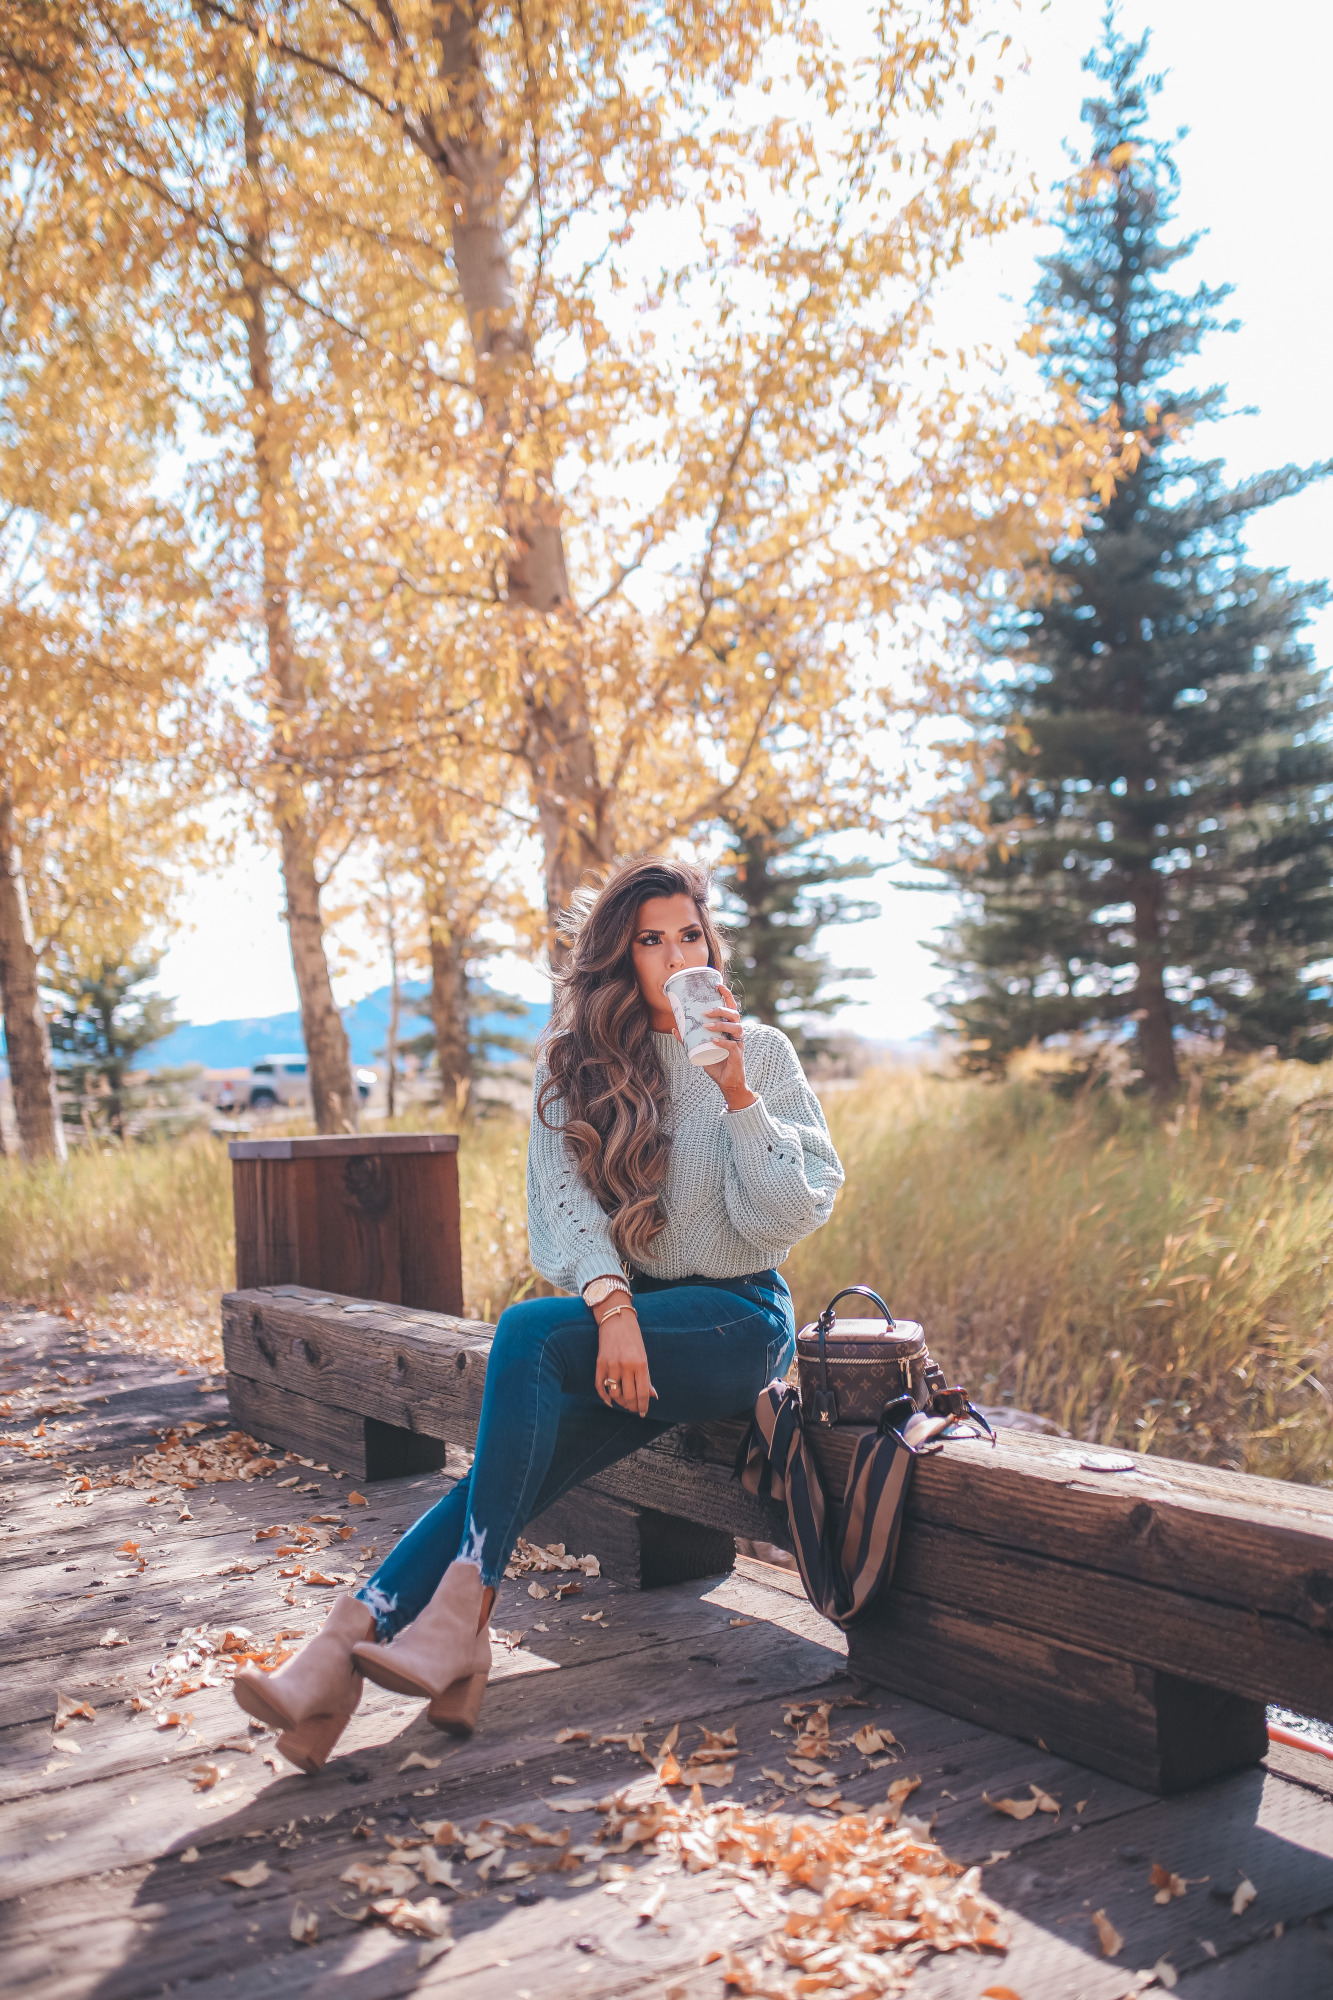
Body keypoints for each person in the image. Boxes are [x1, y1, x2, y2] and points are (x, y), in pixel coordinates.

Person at [232, 855, 844, 1770]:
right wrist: (613, 1306)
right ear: (619, 955)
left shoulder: (760, 1054)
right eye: (651, 940)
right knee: (508, 1468)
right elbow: (562, 1208)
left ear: (710, 946)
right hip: (629, 1329)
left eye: (690, 935)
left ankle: (452, 1625)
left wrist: (734, 1094)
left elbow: (791, 1211)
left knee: (524, 1334)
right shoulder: (573, 1065)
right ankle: (342, 1655)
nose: (676, 955)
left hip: (733, 1325)